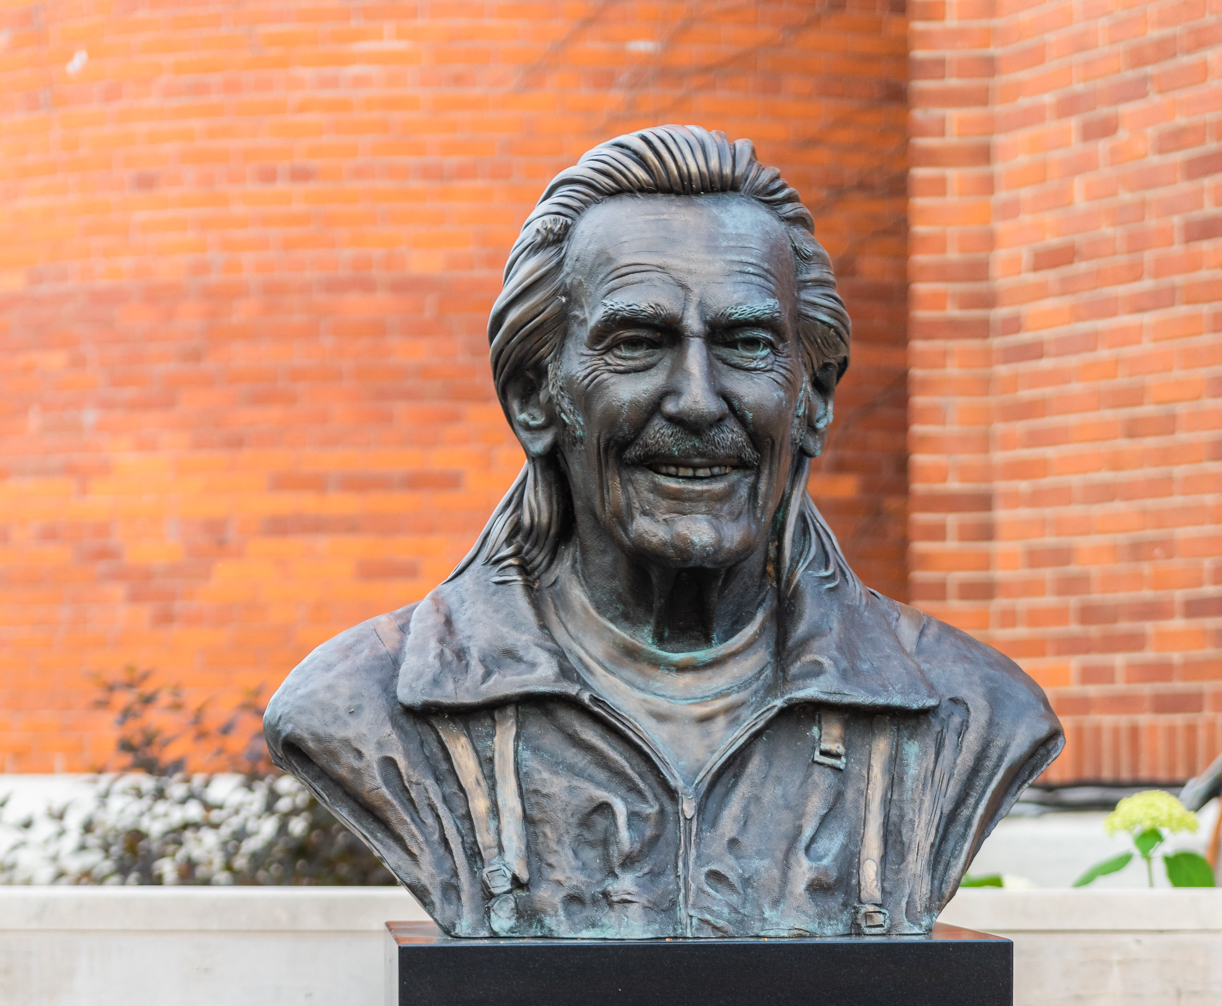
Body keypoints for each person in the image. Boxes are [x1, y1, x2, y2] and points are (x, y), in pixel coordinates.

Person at [264, 124, 1062, 938]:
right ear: (535, 397)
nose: (695, 399)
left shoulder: (966, 710)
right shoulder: (375, 701)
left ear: (813, 399)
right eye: (638, 344)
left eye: (747, 344)